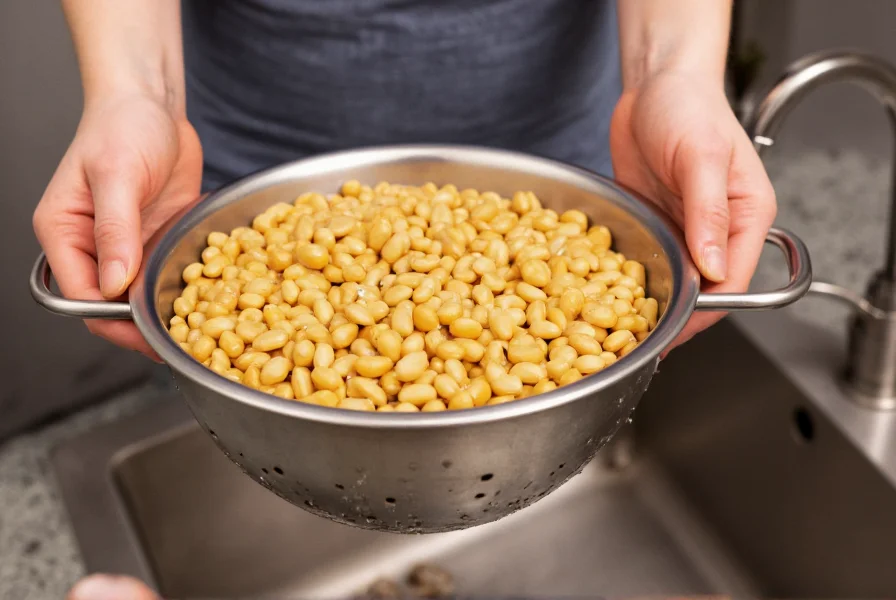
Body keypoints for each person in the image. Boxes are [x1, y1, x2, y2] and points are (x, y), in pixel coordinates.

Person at [36, 1, 774, 597]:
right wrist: (137, 96)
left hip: (566, 182)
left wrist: (671, 75)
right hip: (228, 185)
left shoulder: (572, 274)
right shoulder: (237, 282)